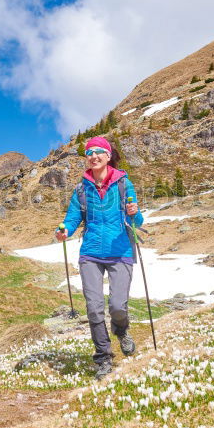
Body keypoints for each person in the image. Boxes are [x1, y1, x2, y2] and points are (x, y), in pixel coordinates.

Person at [56, 136, 143, 379]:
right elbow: (73, 217)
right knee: (94, 309)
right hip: (91, 254)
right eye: (89, 152)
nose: (93, 156)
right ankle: (103, 358)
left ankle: (121, 329)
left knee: (117, 306)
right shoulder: (82, 188)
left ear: (107, 155)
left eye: (98, 152)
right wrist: (64, 231)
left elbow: (137, 220)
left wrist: (134, 213)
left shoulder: (124, 184)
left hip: (120, 251)